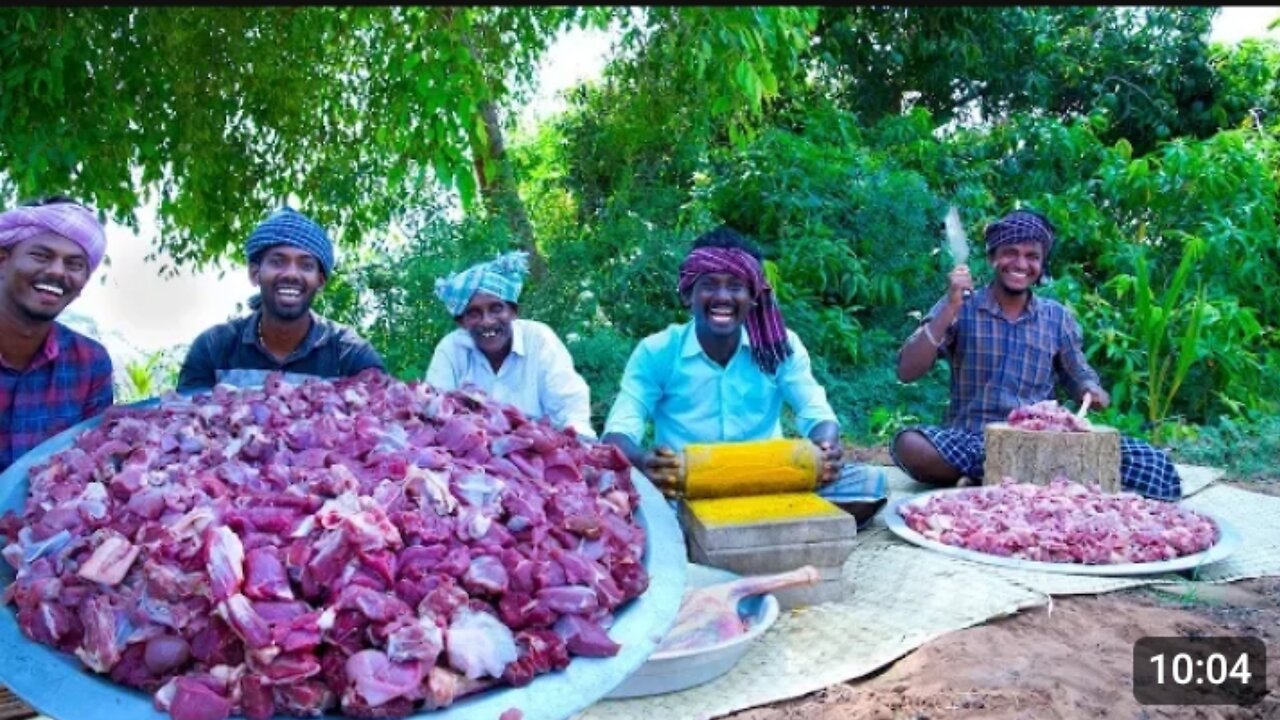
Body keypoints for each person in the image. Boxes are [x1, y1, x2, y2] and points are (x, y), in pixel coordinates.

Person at [891, 208, 1181, 500]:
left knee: (1154, 464)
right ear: (993, 258)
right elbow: (907, 370)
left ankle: (1002, 478)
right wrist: (950, 308)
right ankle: (1036, 480)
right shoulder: (960, 304)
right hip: (975, 441)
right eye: (1010, 252)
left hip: (1044, 442)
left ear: (1041, 265)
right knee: (910, 446)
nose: (1021, 263)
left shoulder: (1056, 317)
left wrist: (1089, 388)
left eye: (1032, 256)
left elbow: (1076, 371)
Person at [602, 226, 874, 503]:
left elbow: (815, 411)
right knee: (619, 502)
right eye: (709, 285)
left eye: (735, 286)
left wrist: (825, 447)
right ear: (688, 295)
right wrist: (642, 462)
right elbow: (618, 431)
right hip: (683, 492)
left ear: (753, 298)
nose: (722, 297)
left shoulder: (778, 347)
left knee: (869, 485)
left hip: (770, 484)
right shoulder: (657, 352)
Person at [176, 206, 385, 392]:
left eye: (305, 265)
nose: (291, 274)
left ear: (320, 281)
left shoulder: (350, 354)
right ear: (254, 273)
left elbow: (383, 415)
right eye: (278, 262)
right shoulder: (214, 348)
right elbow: (182, 421)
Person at [427, 250, 595, 438]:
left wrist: (579, 446)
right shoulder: (450, 350)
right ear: (462, 322)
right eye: (474, 313)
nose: (487, 321)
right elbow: (436, 411)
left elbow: (570, 409)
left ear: (513, 311)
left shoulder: (539, 339)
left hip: (540, 452)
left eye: (496, 308)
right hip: (470, 456)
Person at [0, 195, 113, 473]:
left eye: (74, 264)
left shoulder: (90, 362)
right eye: (41, 255)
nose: (56, 272)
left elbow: (91, 468)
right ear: (3, 261)